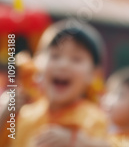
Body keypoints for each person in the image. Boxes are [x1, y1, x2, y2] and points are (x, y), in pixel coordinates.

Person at [9, 19, 108, 147]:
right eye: (55, 56)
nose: (63, 65)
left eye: (76, 59)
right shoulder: (25, 116)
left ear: (94, 73)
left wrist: (77, 142)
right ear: (37, 63)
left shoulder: (93, 120)